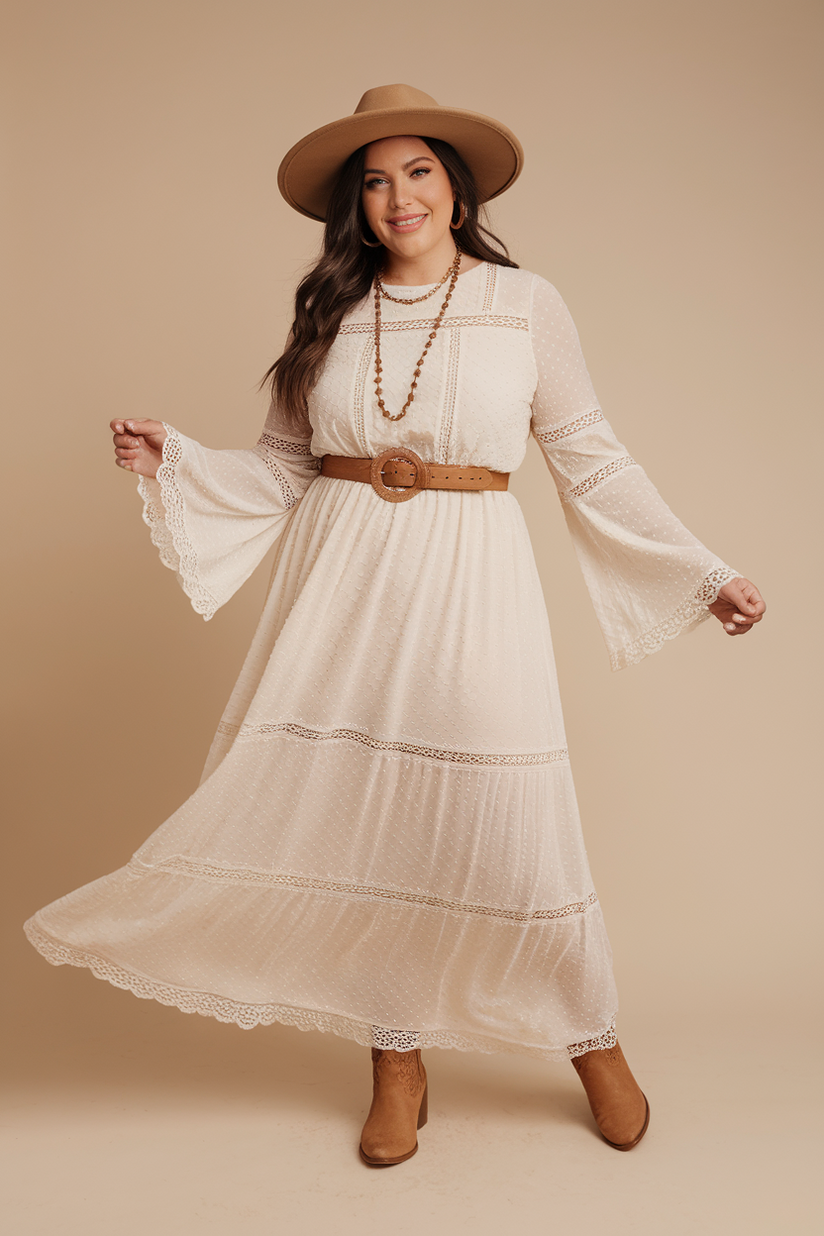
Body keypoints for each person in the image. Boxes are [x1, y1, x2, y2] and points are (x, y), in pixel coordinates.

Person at [24, 84, 765, 1168]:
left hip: (471, 574)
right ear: (354, 208)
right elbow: (282, 465)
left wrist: (701, 574)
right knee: (371, 820)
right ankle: (395, 1057)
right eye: (373, 181)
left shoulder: (523, 303)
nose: (397, 196)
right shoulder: (325, 310)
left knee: (507, 820)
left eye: (417, 171)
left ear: (455, 186)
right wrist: (176, 458)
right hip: (342, 582)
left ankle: (589, 1037)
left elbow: (588, 454)